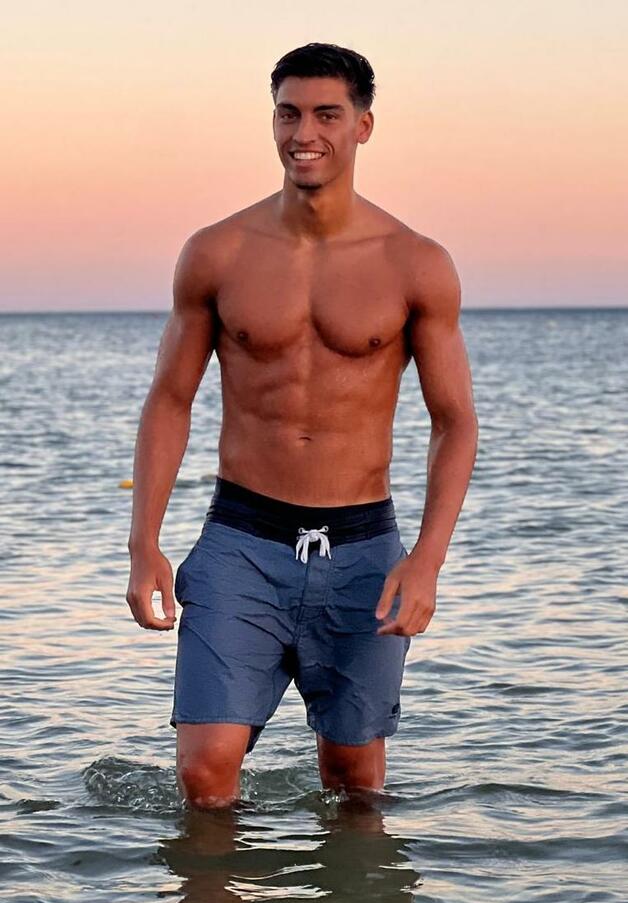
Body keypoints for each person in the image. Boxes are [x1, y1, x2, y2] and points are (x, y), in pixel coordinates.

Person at [126, 42, 478, 810]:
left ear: (363, 126)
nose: (304, 133)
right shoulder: (217, 252)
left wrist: (427, 559)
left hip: (362, 549)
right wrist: (143, 541)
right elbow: (170, 400)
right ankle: (219, 895)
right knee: (204, 773)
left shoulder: (414, 262)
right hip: (241, 541)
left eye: (326, 114)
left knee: (354, 782)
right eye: (288, 114)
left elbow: (454, 423)